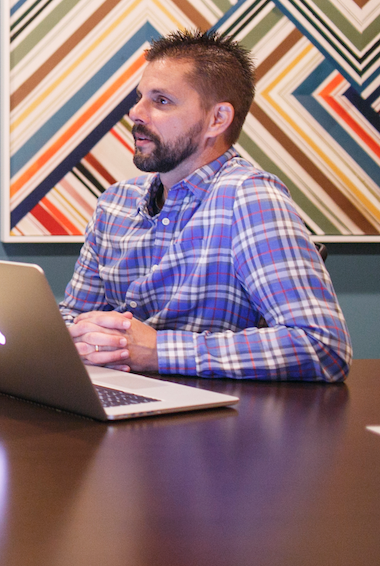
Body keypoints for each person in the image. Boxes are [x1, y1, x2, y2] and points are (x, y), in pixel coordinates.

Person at [59, 29, 351, 381]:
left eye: (161, 101)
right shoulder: (114, 203)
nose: (136, 112)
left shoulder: (251, 198)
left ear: (218, 120)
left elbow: (323, 345)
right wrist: (71, 338)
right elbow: (75, 315)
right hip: (123, 406)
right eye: (140, 98)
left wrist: (159, 350)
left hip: (221, 424)